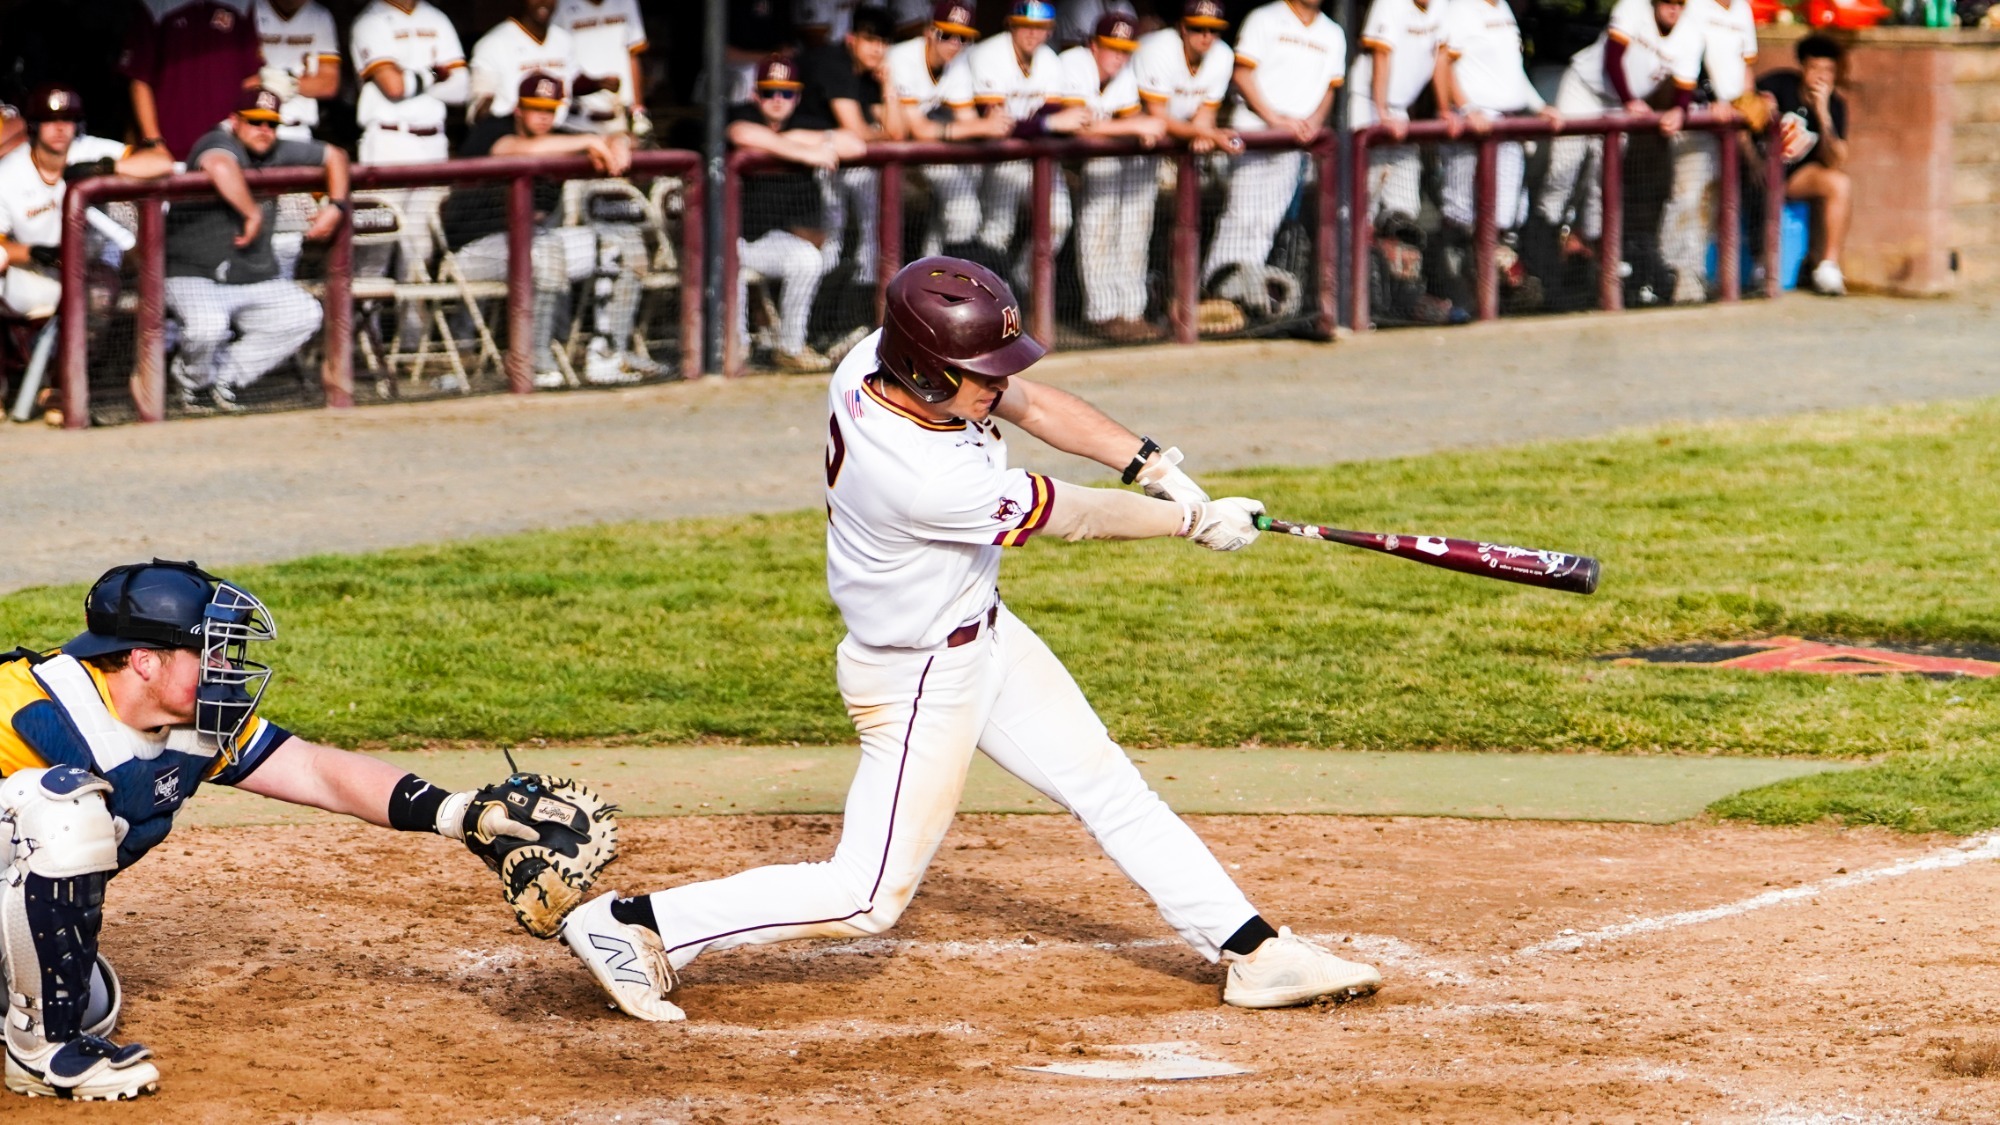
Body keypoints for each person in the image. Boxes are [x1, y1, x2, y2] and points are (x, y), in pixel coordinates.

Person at [559, 256, 1384, 1022]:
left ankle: (1254, 951)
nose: (1001, 384)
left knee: (1111, 788)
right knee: (866, 897)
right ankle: (632, 922)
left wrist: (1160, 469)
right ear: (925, 369)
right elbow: (1077, 515)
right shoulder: (923, 476)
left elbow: (1035, 402)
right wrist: (1193, 522)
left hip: (985, 634)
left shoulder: (879, 360)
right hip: (917, 675)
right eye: (982, 373)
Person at [0, 560, 567, 1100]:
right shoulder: (29, 704)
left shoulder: (197, 725)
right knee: (63, 810)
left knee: (81, 998)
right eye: (211, 652)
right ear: (146, 661)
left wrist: (458, 813)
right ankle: (44, 1055)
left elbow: (316, 771)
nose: (226, 667)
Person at [439, 72, 656, 388]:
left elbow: (623, 140)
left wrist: (618, 140)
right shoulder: (492, 129)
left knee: (624, 244)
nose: (542, 116)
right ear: (518, 109)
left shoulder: (561, 137)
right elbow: (511, 149)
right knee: (546, 251)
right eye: (534, 108)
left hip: (531, 245)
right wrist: (588, 141)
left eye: (549, 109)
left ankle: (608, 354)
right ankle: (534, 360)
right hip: (474, 250)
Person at [163, 88, 348, 411]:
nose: (264, 131)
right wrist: (251, 212)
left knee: (304, 314)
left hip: (249, 275)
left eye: (271, 124)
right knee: (208, 327)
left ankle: (224, 377)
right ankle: (191, 382)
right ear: (235, 121)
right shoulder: (216, 140)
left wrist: (337, 205)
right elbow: (220, 165)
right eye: (255, 122)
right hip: (192, 273)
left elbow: (337, 156)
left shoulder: (276, 148)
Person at [1530, 0, 1699, 301]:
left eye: (1680, 3)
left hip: (1619, 104)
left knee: (1605, 184)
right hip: (1585, 90)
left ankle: (1597, 271)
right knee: (1563, 170)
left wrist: (1679, 111)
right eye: (1668, 2)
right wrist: (1629, 99)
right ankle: (1541, 250)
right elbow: (1613, 58)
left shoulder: (1690, 31)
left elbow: (1685, 88)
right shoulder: (1633, 7)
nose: (1673, 8)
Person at [1200, 0, 1344, 327]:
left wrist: (1313, 124)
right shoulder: (1264, 17)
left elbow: (1330, 89)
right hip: (1254, 132)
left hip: (1293, 139)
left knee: (1266, 223)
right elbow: (1243, 74)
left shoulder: (1333, 32)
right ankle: (1214, 295)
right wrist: (1275, 119)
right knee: (1240, 217)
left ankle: (1241, 298)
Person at [729, 56, 863, 372]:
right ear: (754, 95)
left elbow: (856, 144)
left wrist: (797, 140)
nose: (777, 100)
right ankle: (734, 350)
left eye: (786, 93)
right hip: (728, 236)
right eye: (769, 92)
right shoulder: (742, 113)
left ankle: (789, 347)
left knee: (808, 259)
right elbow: (740, 133)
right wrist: (803, 152)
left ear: (797, 96)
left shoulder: (802, 123)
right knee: (728, 263)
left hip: (767, 241)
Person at [1433, 0, 1562, 313]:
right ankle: (1451, 295)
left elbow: (1511, 72)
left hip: (1507, 122)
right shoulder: (1460, 8)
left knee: (1503, 220)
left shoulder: (1502, 8)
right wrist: (1464, 108)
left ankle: (1488, 302)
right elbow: (1442, 63)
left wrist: (1538, 105)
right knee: (1460, 217)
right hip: (1473, 125)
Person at [0, 86, 170, 321]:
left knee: (99, 297)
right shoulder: (9, 172)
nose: (60, 128)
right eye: (50, 120)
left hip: (90, 271)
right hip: (35, 276)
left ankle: (90, 355)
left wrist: (108, 168)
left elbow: (162, 162)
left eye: (67, 119)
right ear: (34, 125)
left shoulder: (89, 149)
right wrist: (34, 252)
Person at [1060, 13, 1171, 342]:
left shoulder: (1121, 74)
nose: (1119, 57)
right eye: (1112, 48)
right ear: (1093, 46)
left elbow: (1131, 116)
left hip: (1082, 164)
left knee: (1133, 225)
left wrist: (1139, 126)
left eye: (1125, 50)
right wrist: (1136, 126)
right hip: (1030, 162)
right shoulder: (1073, 62)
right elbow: (1078, 126)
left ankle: (1129, 312)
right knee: (1093, 226)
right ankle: (1103, 313)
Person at [1132, 1, 1241, 333]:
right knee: (1130, 231)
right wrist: (1207, 134)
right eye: (1197, 28)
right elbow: (1156, 114)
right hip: (1132, 143)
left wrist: (1203, 133)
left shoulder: (1222, 56)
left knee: (1172, 227)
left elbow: (1205, 113)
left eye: (1212, 30)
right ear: (1183, 27)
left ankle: (1162, 307)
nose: (1206, 36)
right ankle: (1118, 314)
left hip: (1176, 148)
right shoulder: (1159, 49)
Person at [964, 1, 1086, 290]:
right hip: (993, 157)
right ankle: (985, 296)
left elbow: (1052, 112)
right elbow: (995, 124)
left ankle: (1019, 289)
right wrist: (1045, 125)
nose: (1032, 34)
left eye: (1040, 28)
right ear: (1011, 25)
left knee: (1058, 221)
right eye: (1025, 26)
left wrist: (1043, 122)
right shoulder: (989, 54)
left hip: (1033, 157)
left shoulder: (1050, 60)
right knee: (995, 231)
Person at [884, 1, 1010, 257]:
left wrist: (992, 123)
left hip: (915, 150)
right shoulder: (902, 57)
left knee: (966, 189)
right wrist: (983, 126)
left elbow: (966, 119)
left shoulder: (957, 62)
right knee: (963, 211)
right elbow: (917, 129)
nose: (954, 43)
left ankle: (935, 272)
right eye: (947, 35)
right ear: (929, 32)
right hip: (872, 149)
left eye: (962, 38)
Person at [796, 6, 908, 290]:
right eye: (870, 40)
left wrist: (890, 86)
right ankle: (828, 302)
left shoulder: (871, 76)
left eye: (883, 42)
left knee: (872, 223)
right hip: (797, 164)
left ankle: (863, 293)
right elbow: (856, 129)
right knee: (832, 237)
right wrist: (877, 133)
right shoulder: (833, 62)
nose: (877, 49)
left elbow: (897, 133)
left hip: (837, 164)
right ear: (851, 39)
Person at [1760, 34, 1849, 295]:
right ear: (1803, 67)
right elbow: (1749, 104)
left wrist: (1823, 115)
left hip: (1795, 177)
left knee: (1839, 183)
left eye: (1829, 70)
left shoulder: (1836, 105)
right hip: (1756, 170)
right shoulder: (1779, 84)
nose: (1822, 76)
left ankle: (1828, 267)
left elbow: (1836, 159)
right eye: (1815, 68)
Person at [119, 0, 264, 160]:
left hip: (228, 145)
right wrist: (154, 142)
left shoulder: (242, 4)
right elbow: (140, 80)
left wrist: (250, 133)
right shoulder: (153, 4)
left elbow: (251, 78)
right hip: (171, 147)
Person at [1348, 0, 1443, 233]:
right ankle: (1359, 262)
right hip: (1367, 103)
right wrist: (1381, 113)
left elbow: (1441, 56)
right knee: (1363, 199)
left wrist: (1445, 109)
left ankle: (1389, 260)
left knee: (1405, 206)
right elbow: (1382, 54)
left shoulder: (1442, 6)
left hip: (1398, 110)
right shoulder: (1389, 3)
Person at [552, 0, 652, 137]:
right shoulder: (561, 4)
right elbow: (555, 61)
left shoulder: (627, 2)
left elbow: (633, 54)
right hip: (576, 119)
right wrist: (596, 84)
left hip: (619, 116)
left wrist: (638, 109)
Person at [471, 0, 579, 124]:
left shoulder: (564, 40)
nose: (543, 2)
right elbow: (478, 113)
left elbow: (574, 83)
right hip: (510, 132)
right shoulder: (492, 43)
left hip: (557, 130)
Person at [251, 0, 342, 142]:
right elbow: (232, 79)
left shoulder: (319, 15)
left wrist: (286, 82)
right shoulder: (248, 9)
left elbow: (328, 84)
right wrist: (269, 80)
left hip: (296, 128)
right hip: (252, 127)